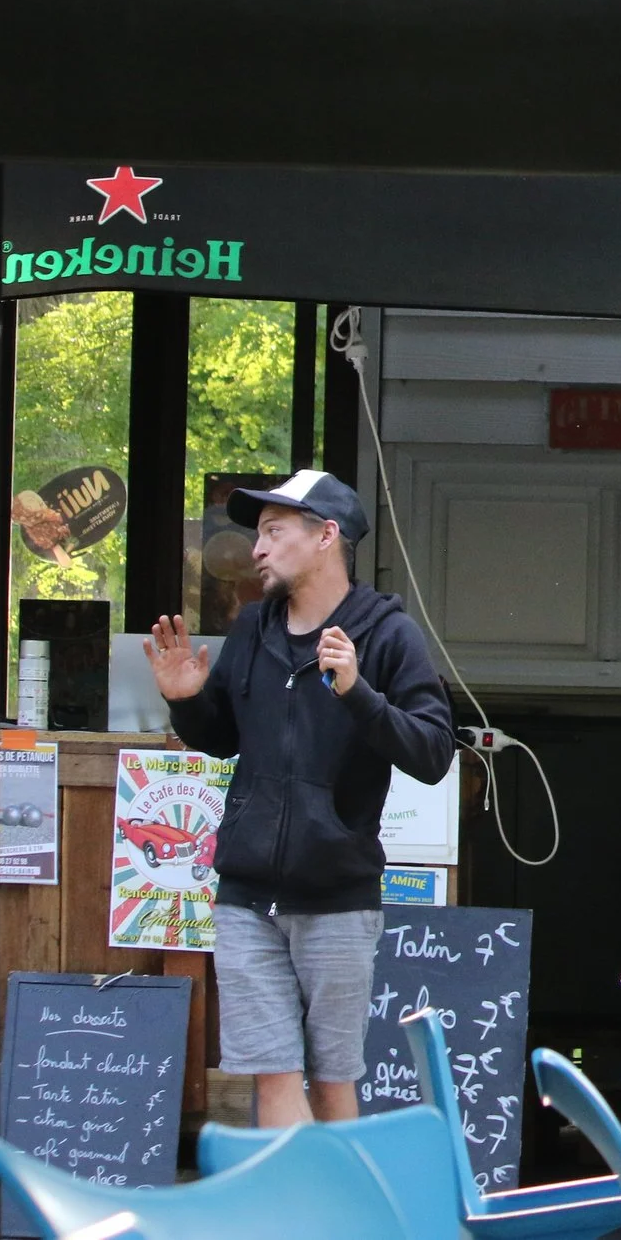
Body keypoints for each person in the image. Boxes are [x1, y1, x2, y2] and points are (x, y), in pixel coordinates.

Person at [146, 471, 455, 1127]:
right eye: (258, 533)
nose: (256, 547)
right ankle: (291, 1194)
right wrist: (185, 701)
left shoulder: (388, 634)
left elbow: (433, 753)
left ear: (325, 536)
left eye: (273, 531)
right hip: (246, 896)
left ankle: (342, 1195)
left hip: (337, 898)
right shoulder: (251, 628)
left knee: (335, 1083)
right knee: (274, 1075)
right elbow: (221, 738)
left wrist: (358, 693)